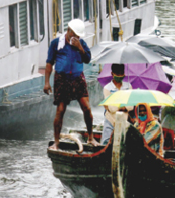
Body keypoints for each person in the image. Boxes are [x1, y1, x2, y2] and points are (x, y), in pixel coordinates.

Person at [44, 19, 98, 150]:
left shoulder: (82, 44)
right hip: (62, 79)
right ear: (68, 31)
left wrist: (80, 48)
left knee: (87, 108)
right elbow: (49, 63)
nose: (76, 37)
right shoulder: (57, 43)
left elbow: (87, 59)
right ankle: (56, 142)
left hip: (77, 78)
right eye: (74, 34)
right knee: (61, 110)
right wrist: (47, 83)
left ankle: (91, 137)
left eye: (78, 36)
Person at [101, 64, 132, 145]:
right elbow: (111, 108)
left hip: (124, 119)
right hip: (110, 119)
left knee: (123, 142)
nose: (120, 75)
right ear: (112, 74)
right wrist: (123, 106)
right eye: (117, 73)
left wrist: (118, 106)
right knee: (106, 142)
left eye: (122, 73)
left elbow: (131, 105)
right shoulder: (107, 88)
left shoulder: (128, 87)